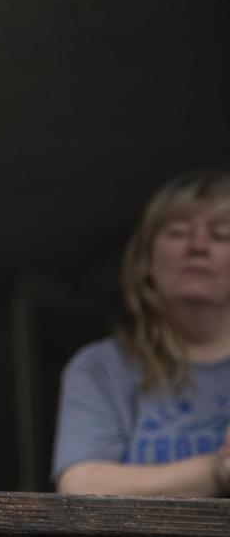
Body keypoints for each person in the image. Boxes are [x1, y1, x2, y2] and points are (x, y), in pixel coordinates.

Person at [53, 171, 230, 497]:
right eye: (178, 232)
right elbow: (81, 486)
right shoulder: (100, 367)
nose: (198, 246)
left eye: (221, 236)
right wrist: (218, 469)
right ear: (146, 259)